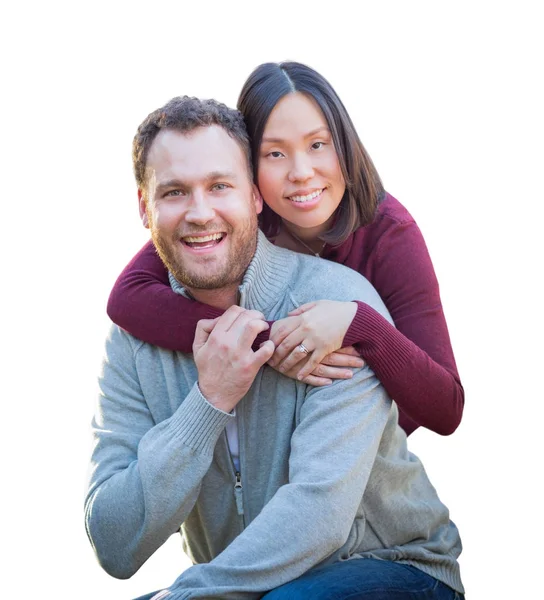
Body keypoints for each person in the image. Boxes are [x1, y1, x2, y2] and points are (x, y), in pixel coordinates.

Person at [86, 95, 464, 599]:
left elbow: (319, 515)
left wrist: (184, 595)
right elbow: (114, 543)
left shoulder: (335, 307)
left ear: (254, 197)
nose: (200, 213)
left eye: (220, 186)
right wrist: (209, 401)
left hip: (392, 566)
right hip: (240, 586)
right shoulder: (134, 339)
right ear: (144, 207)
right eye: (174, 192)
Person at [106, 61, 464, 437]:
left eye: (318, 145)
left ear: (345, 144)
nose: (301, 172)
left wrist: (358, 323)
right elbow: (127, 298)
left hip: (361, 448)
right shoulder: (231, 218)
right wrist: (275, 343)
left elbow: (446, 408)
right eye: (275, 153)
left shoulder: (390, 234)